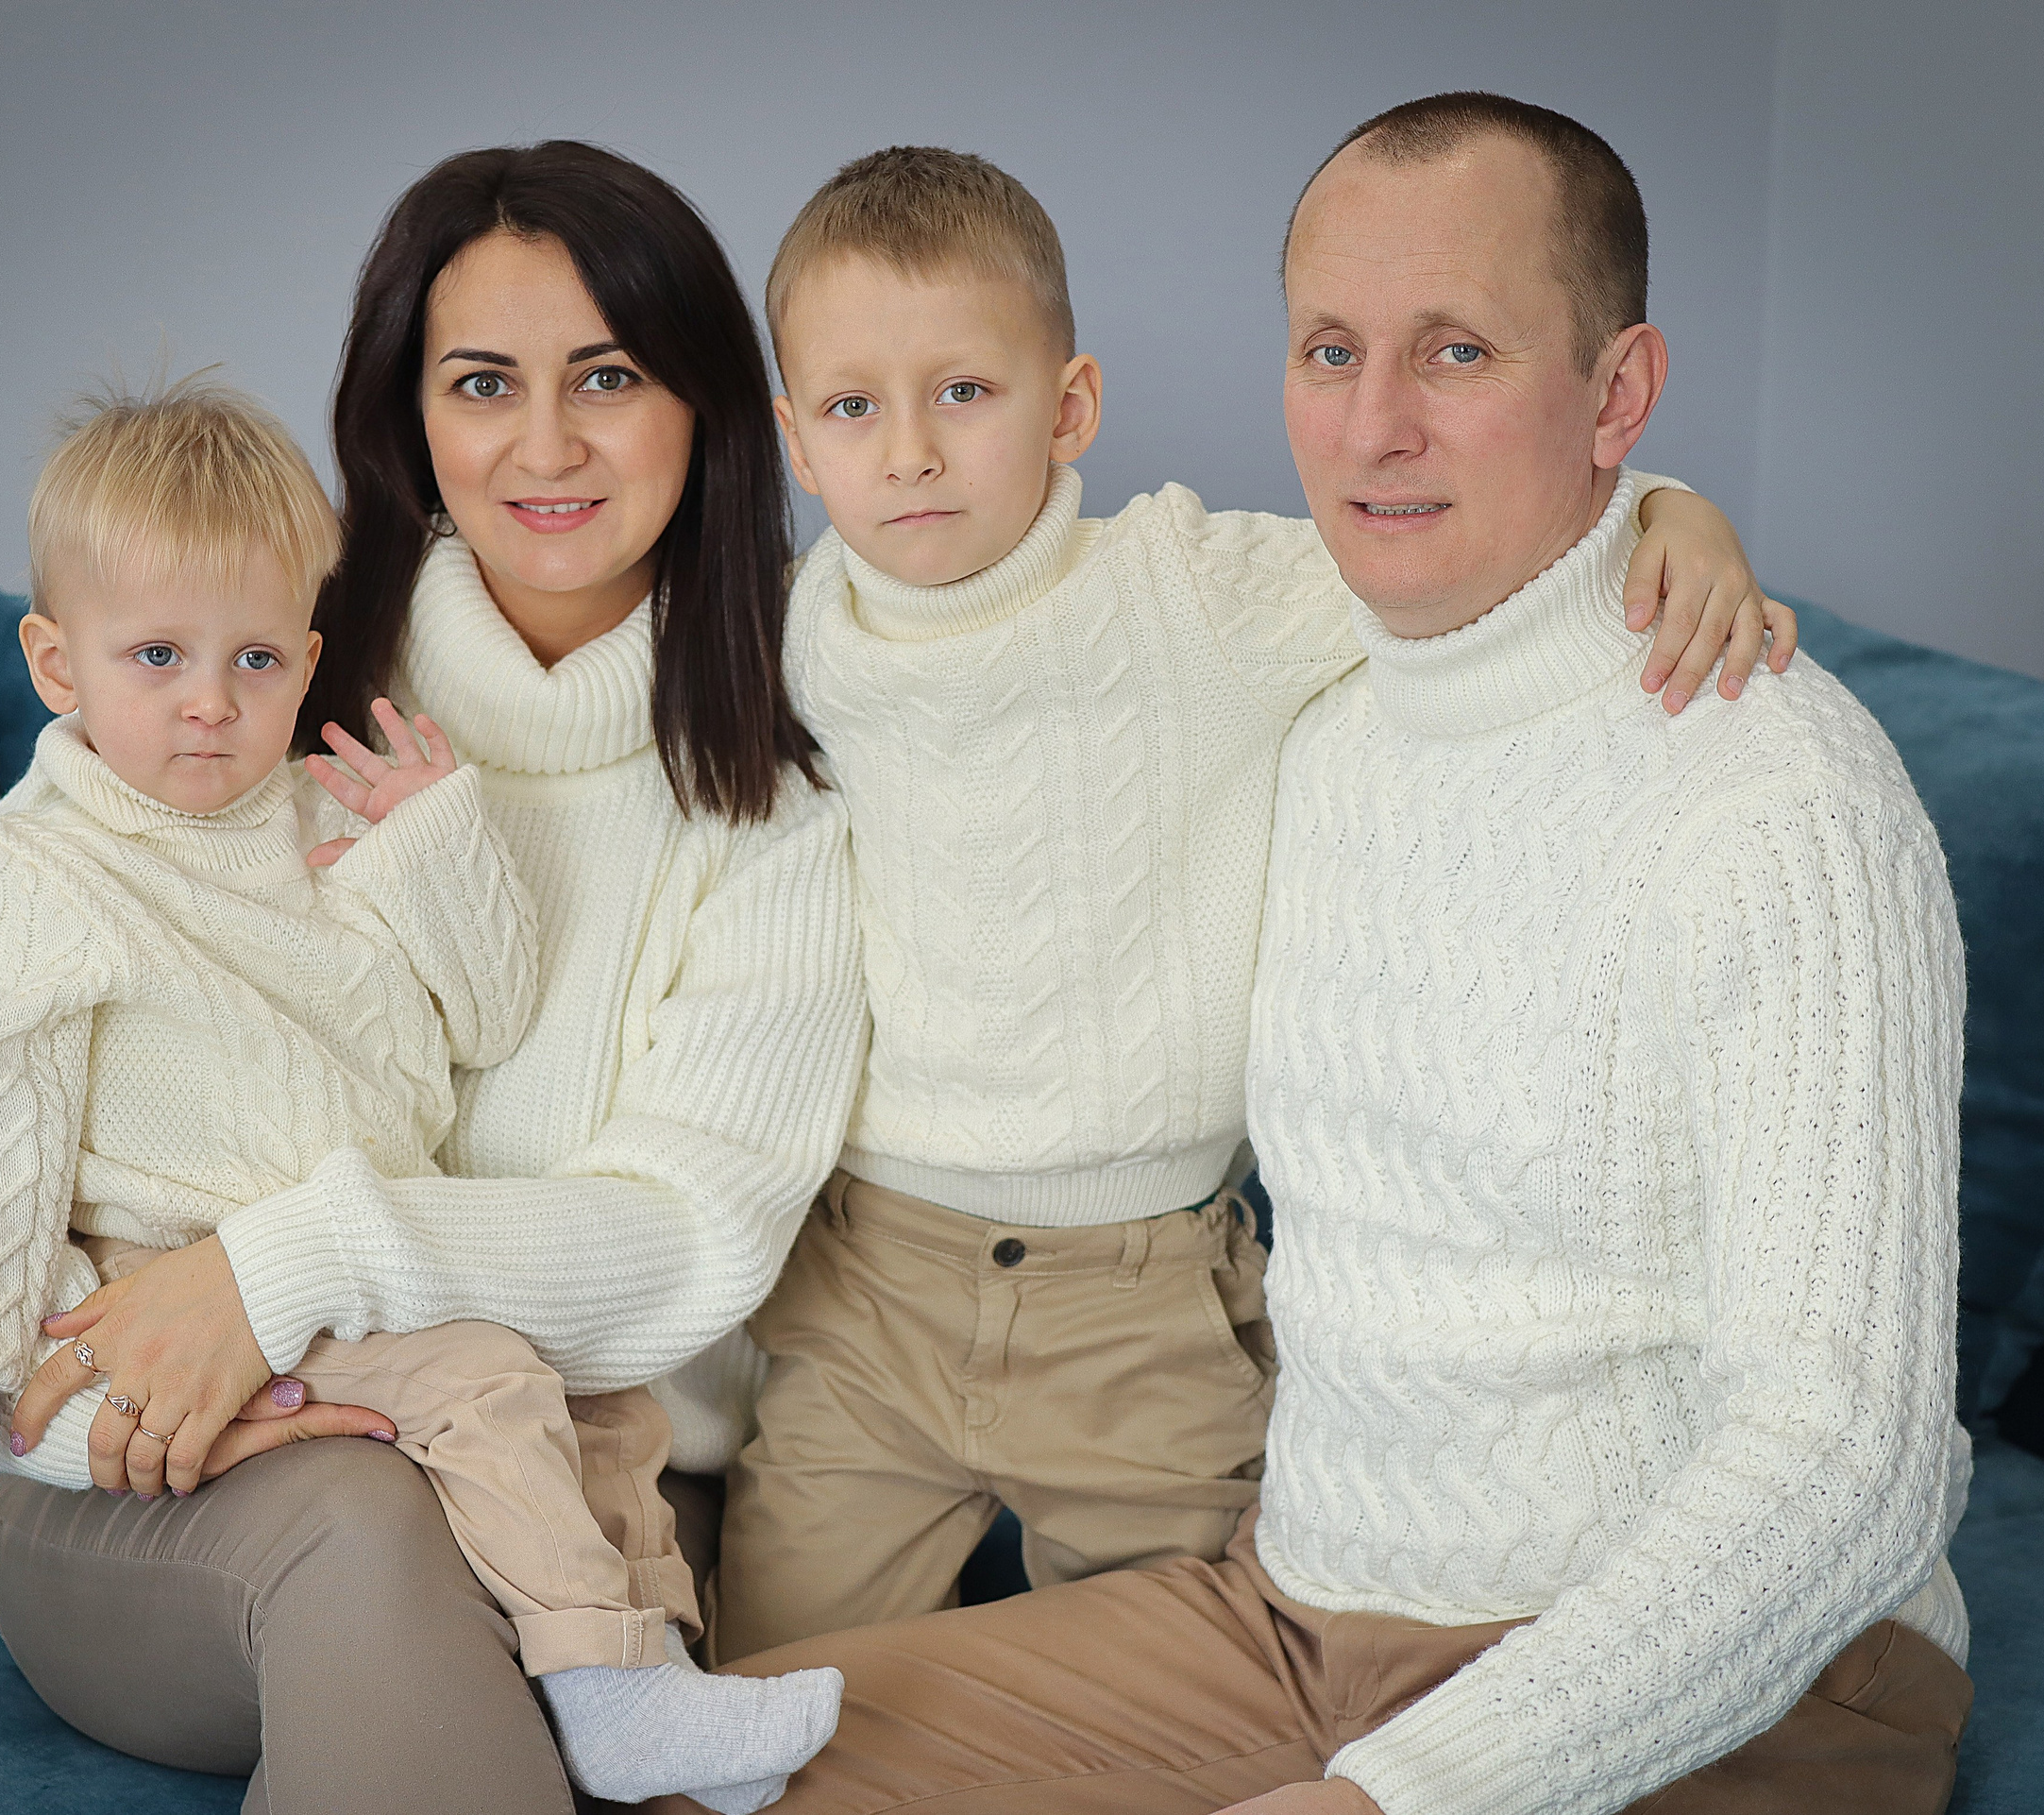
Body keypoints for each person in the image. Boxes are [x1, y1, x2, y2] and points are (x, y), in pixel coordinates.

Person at [699, 94, 1968, 1815]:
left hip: (1742, 1680)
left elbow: (1847, 1467)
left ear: (1618, 393)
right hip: (1299, 1627)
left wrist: (1407, 1795)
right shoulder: (1326, 711)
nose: (1375, 427)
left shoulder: (1780, 790)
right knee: (711, 1767)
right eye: (1327, 351)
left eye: (1455, 350)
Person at [0, 143, 870, 1815]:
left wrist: (283, 1263)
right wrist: (91, 1405)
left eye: (607, 377)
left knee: (434, 1512)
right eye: (483, 384)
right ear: (411, 421)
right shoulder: (247, 696)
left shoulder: (773, 810)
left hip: (573, 1503)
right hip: (154, 1465)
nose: (546, 445)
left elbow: (691, 1244)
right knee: (364, 1514)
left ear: (710, 412)